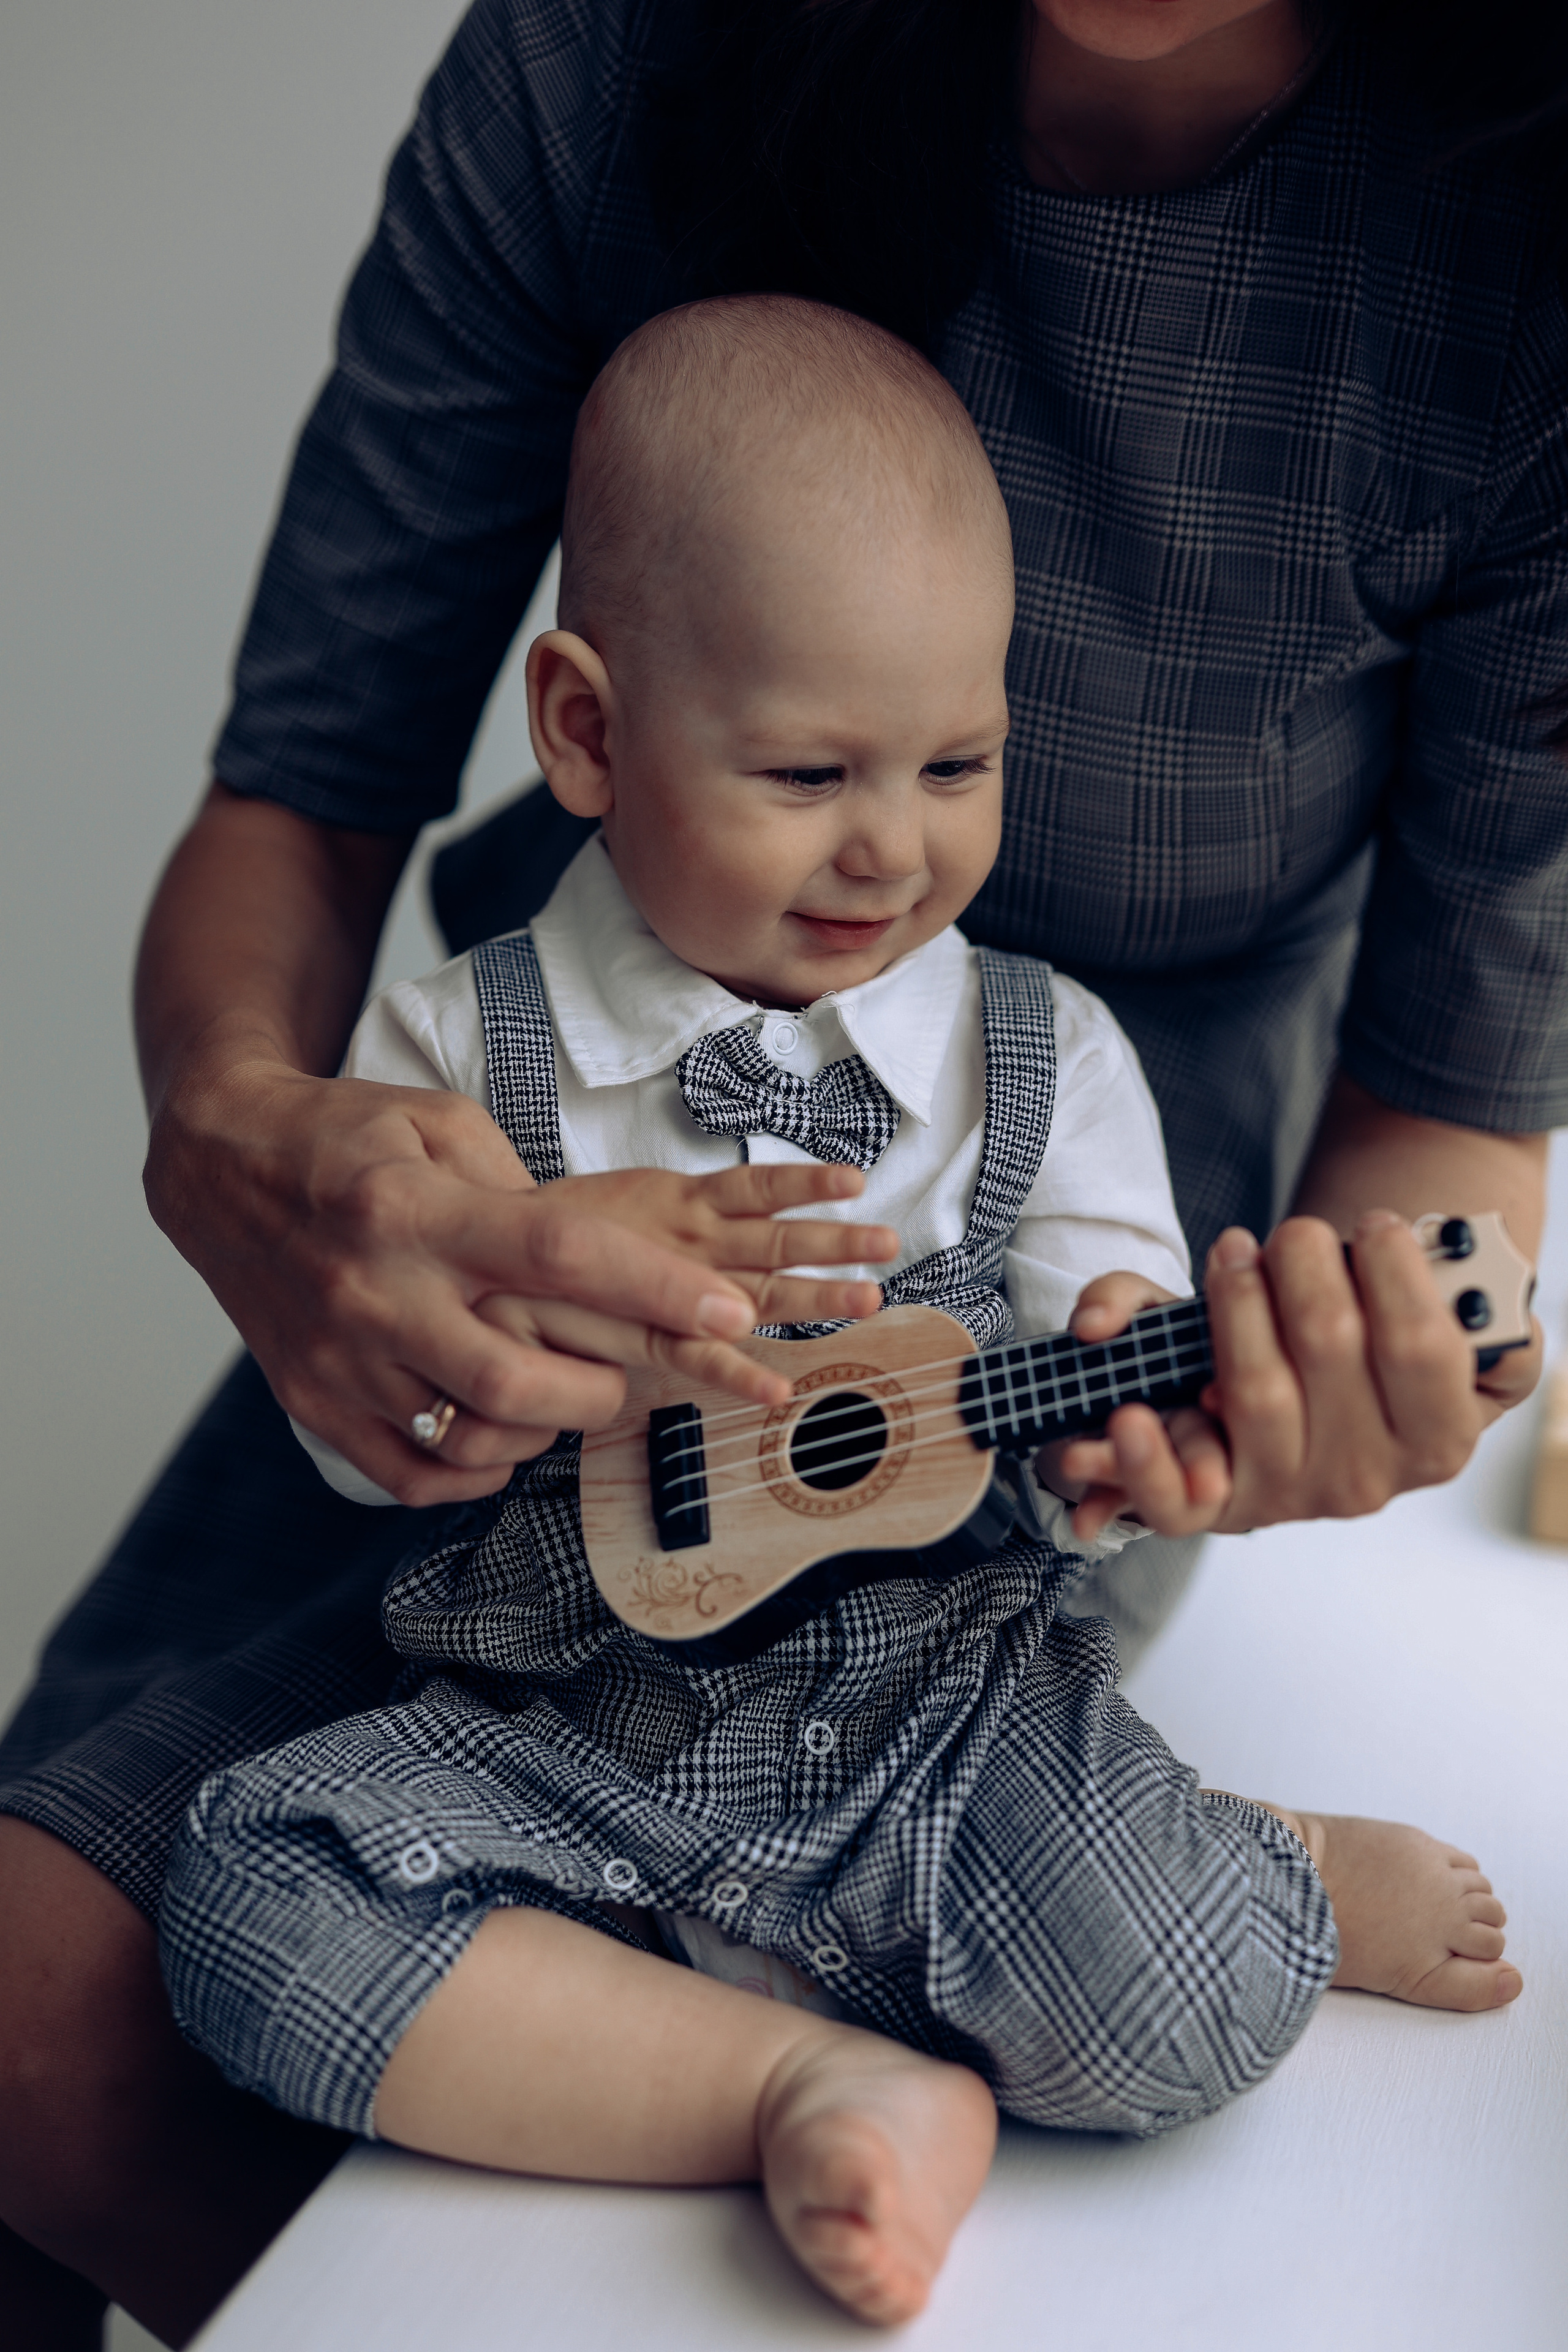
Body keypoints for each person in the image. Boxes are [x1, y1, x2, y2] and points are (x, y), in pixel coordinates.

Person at [1, 1, 1561, 2341]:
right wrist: (271, 1162)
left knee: (1109, 1985)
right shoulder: (614, 67)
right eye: (812, 771)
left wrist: (1297, 1389)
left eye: (963, 763)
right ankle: (754, 2081)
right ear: (591, 730)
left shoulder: (1062, 1067)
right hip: (492, 1424)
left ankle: (1167, 1904)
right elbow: (300, 793)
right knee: (69, 1997)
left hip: (1000, 1458)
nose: (887, 852)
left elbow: (1447, 1125)